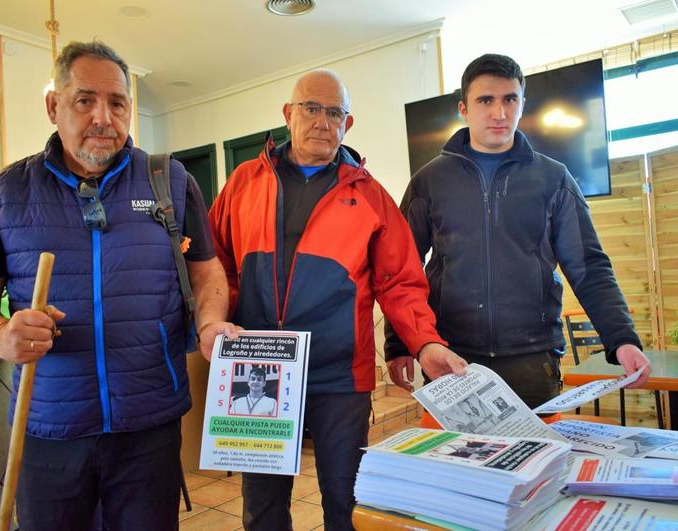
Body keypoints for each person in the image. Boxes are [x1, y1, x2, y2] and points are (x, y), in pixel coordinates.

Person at [0, 40, 237, 530]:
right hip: (48, 429)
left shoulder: (169, 180)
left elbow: (206, 270)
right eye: (85, 101)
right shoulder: (7, 192)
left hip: (150, 425)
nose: (104, 117)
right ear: (53, 106)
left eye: (117, 103)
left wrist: (210, 324)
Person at [208, 69, 467, 531]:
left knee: (345, 500)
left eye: (334, 113)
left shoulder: (370, 196)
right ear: (288, 115)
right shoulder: (243, 182)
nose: (322, 122)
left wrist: (424, 342)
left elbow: (401, 282)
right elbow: (215, 266)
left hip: (340, 376)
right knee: (262, 506)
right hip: (258, 370)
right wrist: (214, 325)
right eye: (311, 108)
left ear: (348, 124)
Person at [385, 53, 651, 412]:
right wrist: (401, 344)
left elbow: (588, 267)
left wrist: (622, 339)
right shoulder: (428, 182)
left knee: (535, 465)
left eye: (510, 99)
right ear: (464, 108)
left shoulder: (554, 179)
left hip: (532, 361)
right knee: (457, 466)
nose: (499, 113)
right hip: (450, 357)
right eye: (486, 100)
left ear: (522, 105)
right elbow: (400, 270)